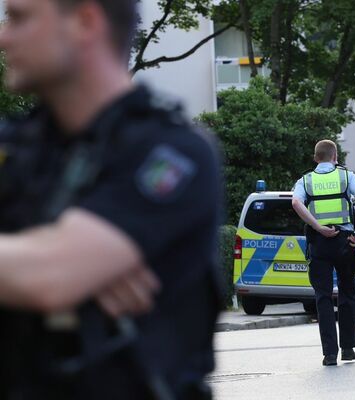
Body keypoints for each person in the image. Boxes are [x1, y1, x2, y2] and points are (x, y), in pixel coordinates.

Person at [0, 0, 224, 398]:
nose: (3, 37)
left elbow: (49, 276)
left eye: (19, 18)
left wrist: (46, 265)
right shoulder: (18, 146)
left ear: (85, 22)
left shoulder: (170, 153)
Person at [291, 140, 355, 367]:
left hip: (320, 243)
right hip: (345, 241)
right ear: (335, 156)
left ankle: (330, 354)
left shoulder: (306, 180)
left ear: (316, 158)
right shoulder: (346, 177)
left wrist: (317, 226)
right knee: (346, 293)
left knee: (323, 297)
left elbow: (296, 202)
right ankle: (348, 349)